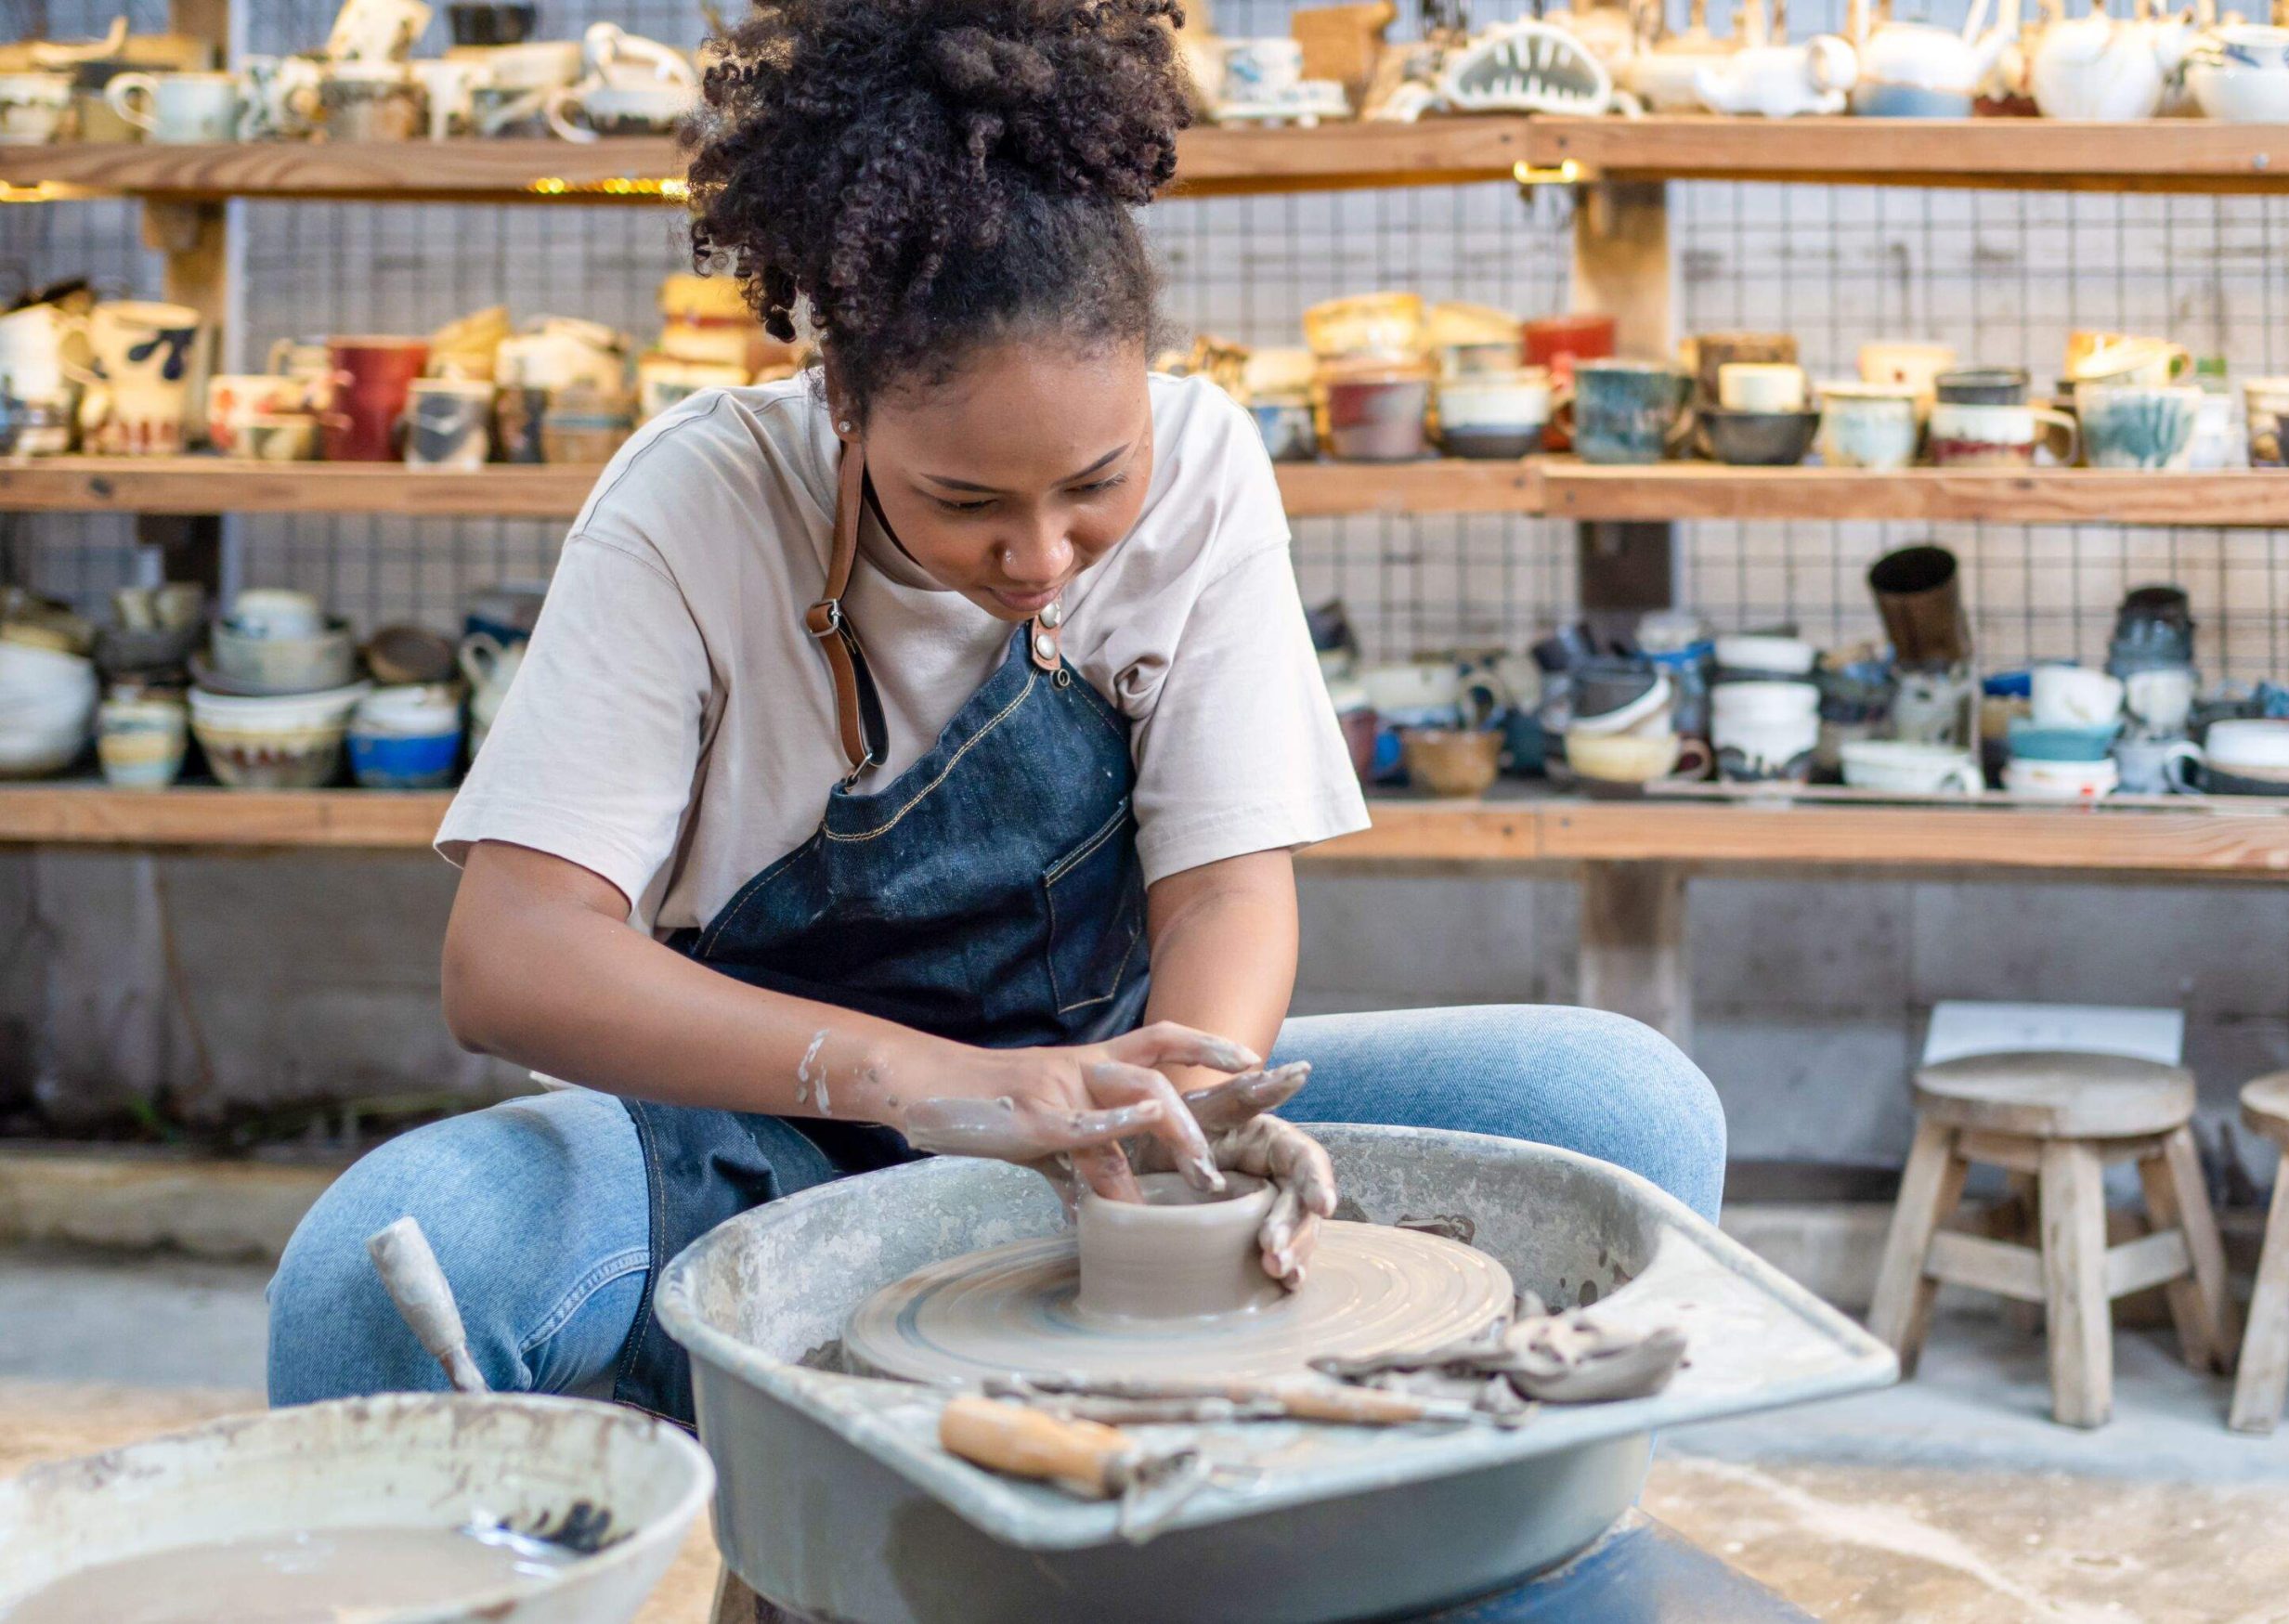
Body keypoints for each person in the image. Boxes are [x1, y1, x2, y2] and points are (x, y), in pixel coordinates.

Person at [267, 0, 1723, 1420]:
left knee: (1626, 1110)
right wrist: (941, 1086)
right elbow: (512, 956)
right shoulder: (694, 501)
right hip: (752, 1141)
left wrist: (1183, 1123)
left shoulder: (1212, 468)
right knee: (376, 1267)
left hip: (1095, 1113)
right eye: (965, 502)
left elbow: (1225, 890)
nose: (1039, 557)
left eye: (1097, 484)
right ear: (841, 397)